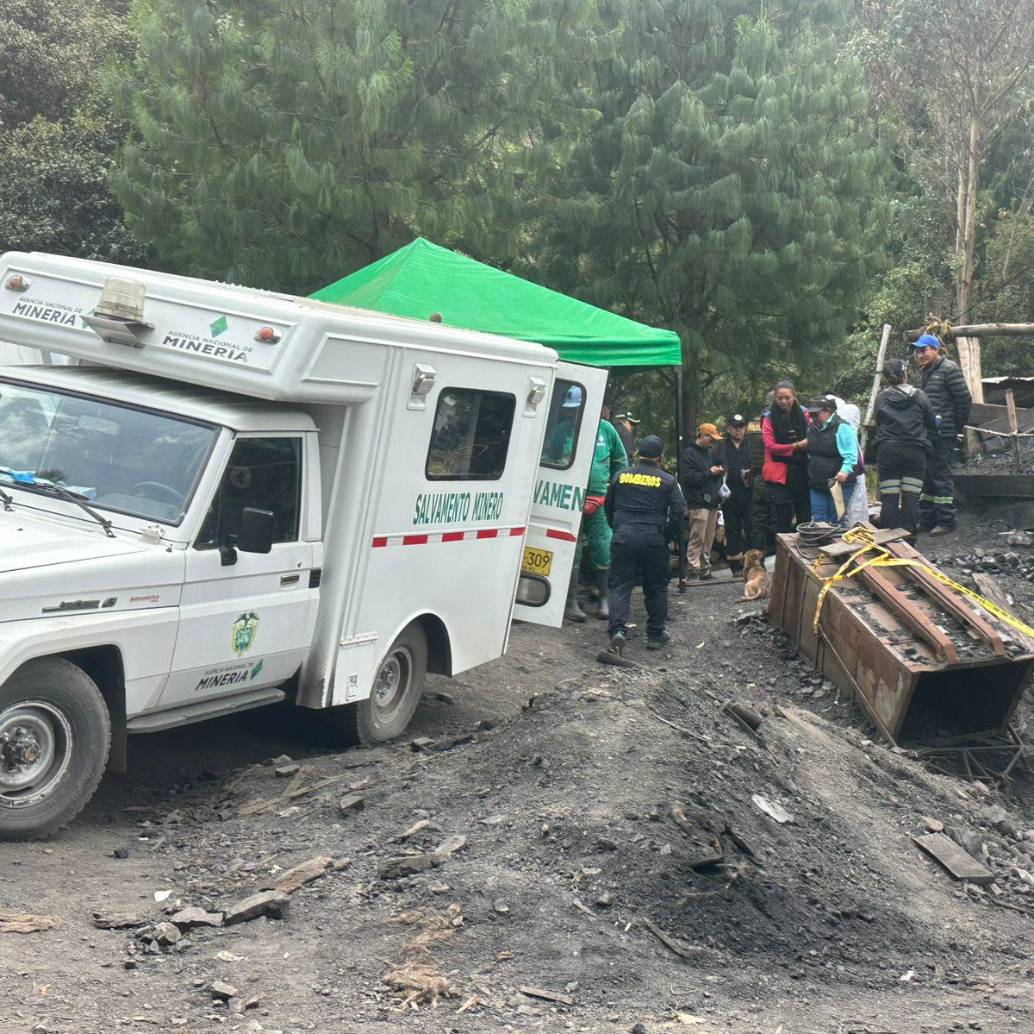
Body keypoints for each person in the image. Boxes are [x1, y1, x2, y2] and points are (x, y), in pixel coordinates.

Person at [604, 435, 686, 654]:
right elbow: (679, 512)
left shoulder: (620, 476)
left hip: (623, 536)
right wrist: (666, 535)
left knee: (620, 584)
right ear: (660, 457)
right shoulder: (668, 481)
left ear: (638, 454)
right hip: (653, 538)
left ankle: (618, 631)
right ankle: (655, 635)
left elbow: (608, 505)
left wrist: (618, 527)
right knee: (656, 586)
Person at [565, 405, 628, 622]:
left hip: (600, 500)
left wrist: (612, 490)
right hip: (571, 499)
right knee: (572, 550)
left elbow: (620, 461)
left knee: (602, 547)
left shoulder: (606, 430)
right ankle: (570, 601)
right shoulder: (565, 429)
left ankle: (604, 598)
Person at [912, 333, 972, 535]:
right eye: (918, 351)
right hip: (926, 434)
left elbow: (964, 400)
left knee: (940, 476)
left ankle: (946, 520)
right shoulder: (925, 372)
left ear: (935, 350)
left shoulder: (949, 369)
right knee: (926, 476)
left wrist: (954, 427)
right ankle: (927, 519)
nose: (920, 354)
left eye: (923, 350)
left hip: (943, 434)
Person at [870, 358, 938, 534]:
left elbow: (877, 422)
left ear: (886, 377)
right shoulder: (920, 395)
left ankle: (889, 540)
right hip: (915, 452)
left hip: (888, 452)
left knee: (889, 497)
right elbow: (931, 423)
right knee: (911, 496)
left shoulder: (881, 398)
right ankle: (909, 538)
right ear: (904, 373)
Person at [761, 380, 811, 534]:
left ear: (794, 397)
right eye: (780, 398)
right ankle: (782, 552)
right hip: (779, 473)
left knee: (805, 513)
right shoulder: (768, 418)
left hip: (802, 470)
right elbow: (771, 446)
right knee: (782, 516)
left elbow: (812, 436)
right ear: (775, 398)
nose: (784, 402)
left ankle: (804, 549)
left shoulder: (804, 413)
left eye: (787, 398)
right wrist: (796, 446)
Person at [680, 422, 724, 580]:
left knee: (709, 537)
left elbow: (713, 475)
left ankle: (705, 569)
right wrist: (709, 473)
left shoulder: (710, 453)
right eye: (710, 438)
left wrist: (718, 475)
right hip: (697, 502)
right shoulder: (689, 453)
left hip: (712, 501)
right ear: (702, 435)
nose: (713, 442)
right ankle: (692, 569)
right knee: (697, 536)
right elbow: (688, 479)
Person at [805, 398, 859, 524]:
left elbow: (851, 455)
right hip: (817, 481)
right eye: (811, 414)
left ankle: (837, 543)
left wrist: (844, 471)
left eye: (816, 414)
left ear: (827, 411)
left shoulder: (842, 427)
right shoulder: (812, 428)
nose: (813, 417)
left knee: (836, 519)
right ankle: (822, 543)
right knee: (819, 519)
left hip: (838, 483)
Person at [713, 414, 754, 573]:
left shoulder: (750, 444)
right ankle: (735, 566)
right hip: (729, 493)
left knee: (751, 527)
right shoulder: (721, 447)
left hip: (748, 491)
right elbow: (713, 468)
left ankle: (753, 563)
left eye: (741, 426)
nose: (739, 430)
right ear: (729, 428)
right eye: (735, 427)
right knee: (732, 529)